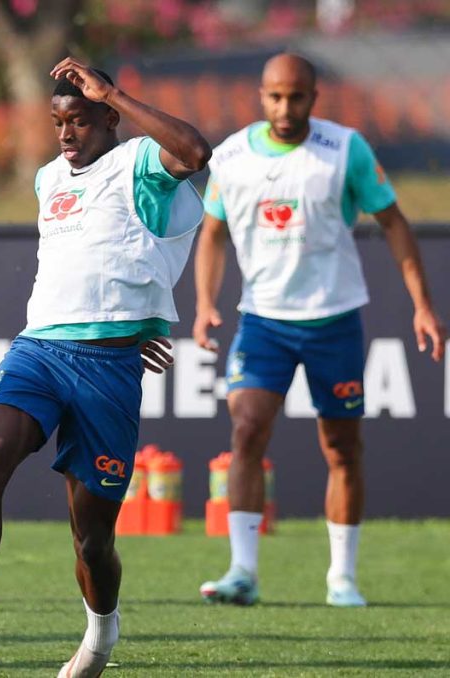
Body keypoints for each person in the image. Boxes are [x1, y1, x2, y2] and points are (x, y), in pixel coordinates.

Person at [0, 58, 210, 678]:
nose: (65, 133)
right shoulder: (47, 179)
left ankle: (100, 634)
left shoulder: (138, 160)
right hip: (38, 351)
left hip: (109, 368)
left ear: (109, 118)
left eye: (81, 120)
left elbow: (196, 152)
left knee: (91, 539)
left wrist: (113, 91)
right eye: (58, 121)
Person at [194, 53, 446, 608]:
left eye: (296, 97)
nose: (285, 108)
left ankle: (342, 578)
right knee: (246, 430)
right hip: (263, 322)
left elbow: (393, 222)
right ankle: (242, 571)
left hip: (334, 321)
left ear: (314, 96)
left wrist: (423, 306)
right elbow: (211, 233)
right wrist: (205, 303)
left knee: (341, 447)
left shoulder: (344, 149)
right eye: (275, 97)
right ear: (261, 96)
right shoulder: (231, 156)